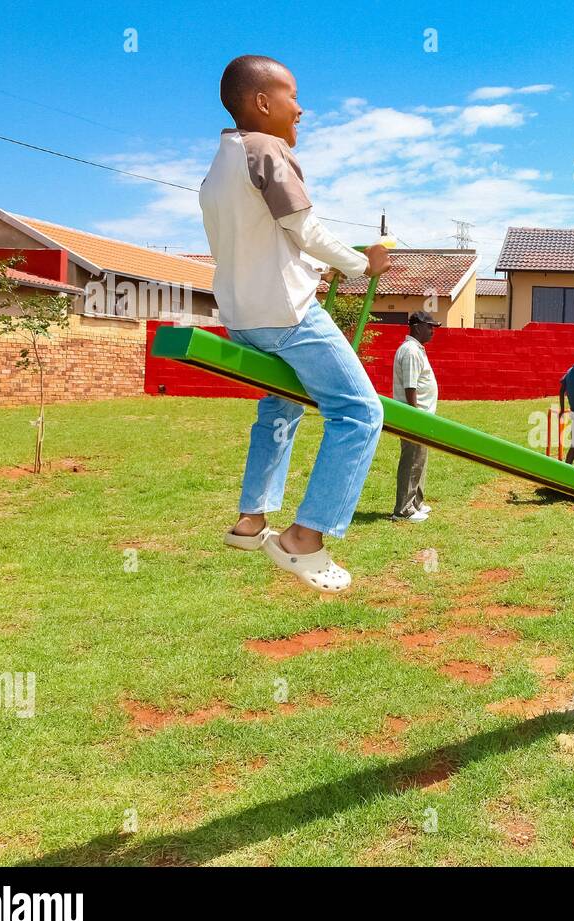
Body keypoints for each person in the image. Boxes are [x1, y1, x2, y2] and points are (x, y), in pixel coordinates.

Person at [202, 54, 390, 594]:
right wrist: (363, 262)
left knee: (280, 405)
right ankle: (304, 538)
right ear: (262, 104)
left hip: (240, 315)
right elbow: (304, 228)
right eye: (292, 97)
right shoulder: (268, 150)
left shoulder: (218, 166)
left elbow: (255, 240)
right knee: (358, 412)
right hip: (285, 313)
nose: (301, 109)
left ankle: (251, 518)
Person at [391, 311, 443, 523]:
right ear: (417, 327)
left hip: (422, 416)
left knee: (420, 460)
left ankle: (416, 502)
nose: (432, 331)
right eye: (429, 327)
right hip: (415, 416)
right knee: (412, 461)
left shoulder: (416, 350)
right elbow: (410, 387)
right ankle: (403, 510)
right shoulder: (411, 351)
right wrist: (415, 417)